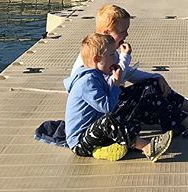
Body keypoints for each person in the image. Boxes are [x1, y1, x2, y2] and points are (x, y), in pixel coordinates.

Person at [68, 4, 188, 138]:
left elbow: (129, 74)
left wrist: (157, 76)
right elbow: (114, 79)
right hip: (101, 112)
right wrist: (125, 57)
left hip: (112, 100)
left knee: (154, 83)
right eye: (123, 31)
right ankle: (186, 122)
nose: (127, 34)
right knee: (148, 93)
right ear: (107, 32)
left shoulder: (110, 51)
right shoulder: (92, 57)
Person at [64, 33, 173, 162]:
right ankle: (147, 147)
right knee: (109, 121)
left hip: (96, 131)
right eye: (112, 55)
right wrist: (115, 84)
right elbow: (108, 107)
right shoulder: (87, 82)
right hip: (81, 141)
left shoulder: (97, 75)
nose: (116, 59)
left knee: (131, 102)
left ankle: (164, 124)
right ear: (97, 59)